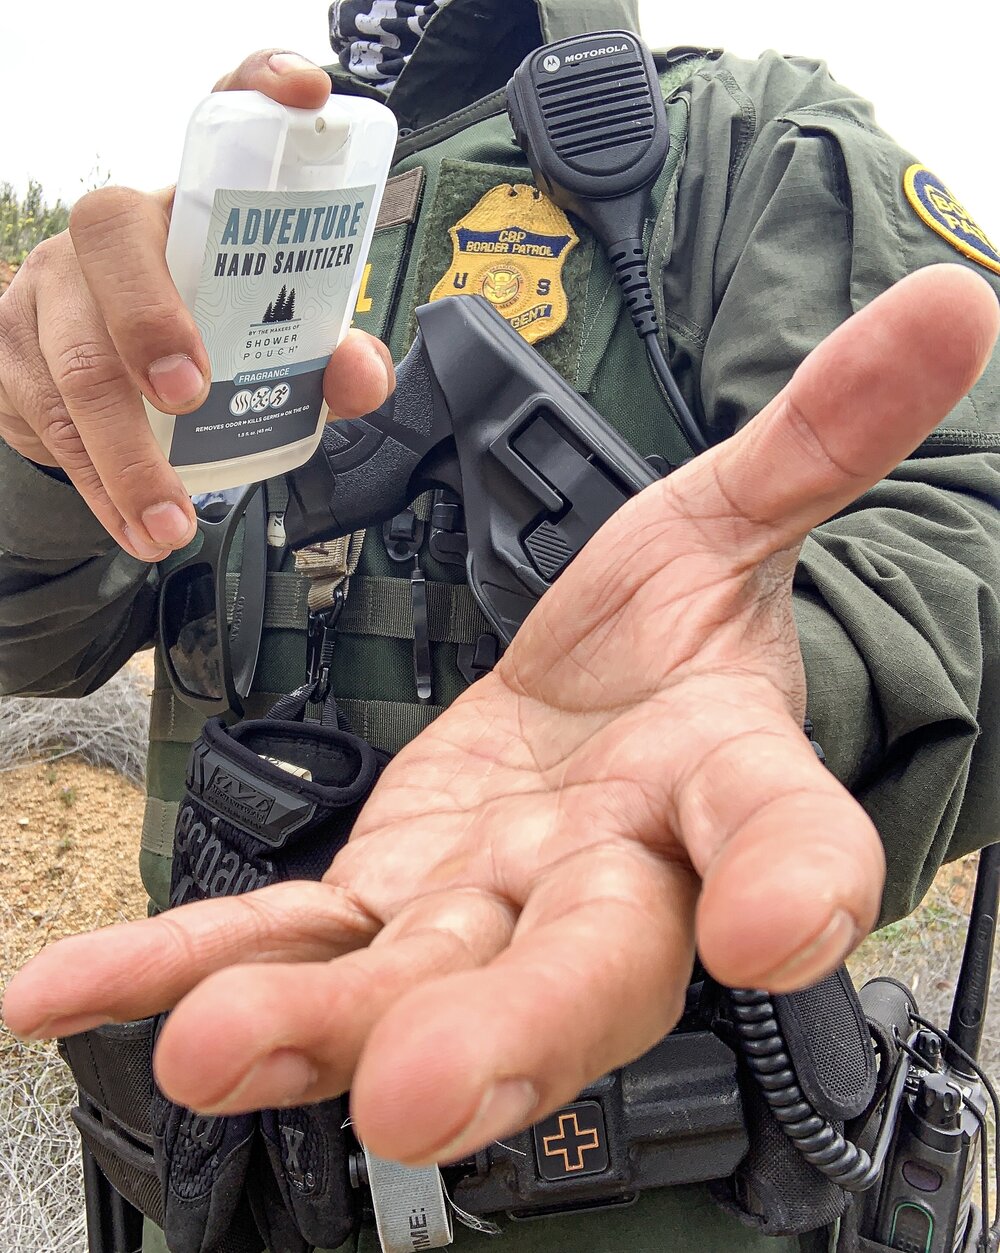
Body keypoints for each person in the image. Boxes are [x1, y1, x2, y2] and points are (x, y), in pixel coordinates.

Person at [2, 1, 1000, 1250]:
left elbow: (968, 514)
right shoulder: (249, 207)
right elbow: (37, 644)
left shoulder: (743, 146)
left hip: (629, 1187)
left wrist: (785, 683)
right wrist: (41, 447)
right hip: (223, 1159)